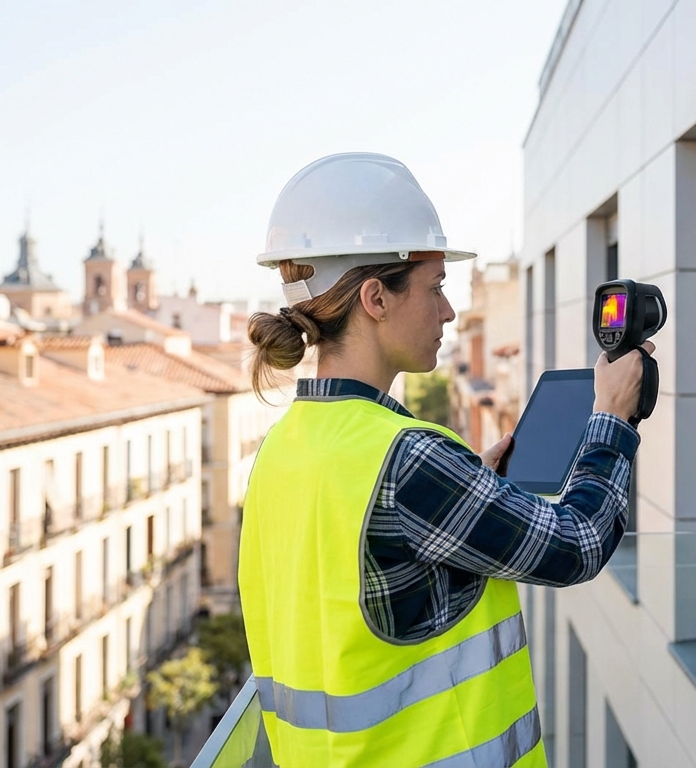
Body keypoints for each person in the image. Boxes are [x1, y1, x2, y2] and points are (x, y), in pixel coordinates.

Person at [237, 153, 650, 768]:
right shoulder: (408, 462)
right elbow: (579, 545)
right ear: (376, 297)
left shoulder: (282, 448)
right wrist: (613, 418)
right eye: (435, 288)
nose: (449, 312)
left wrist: (469, 485)